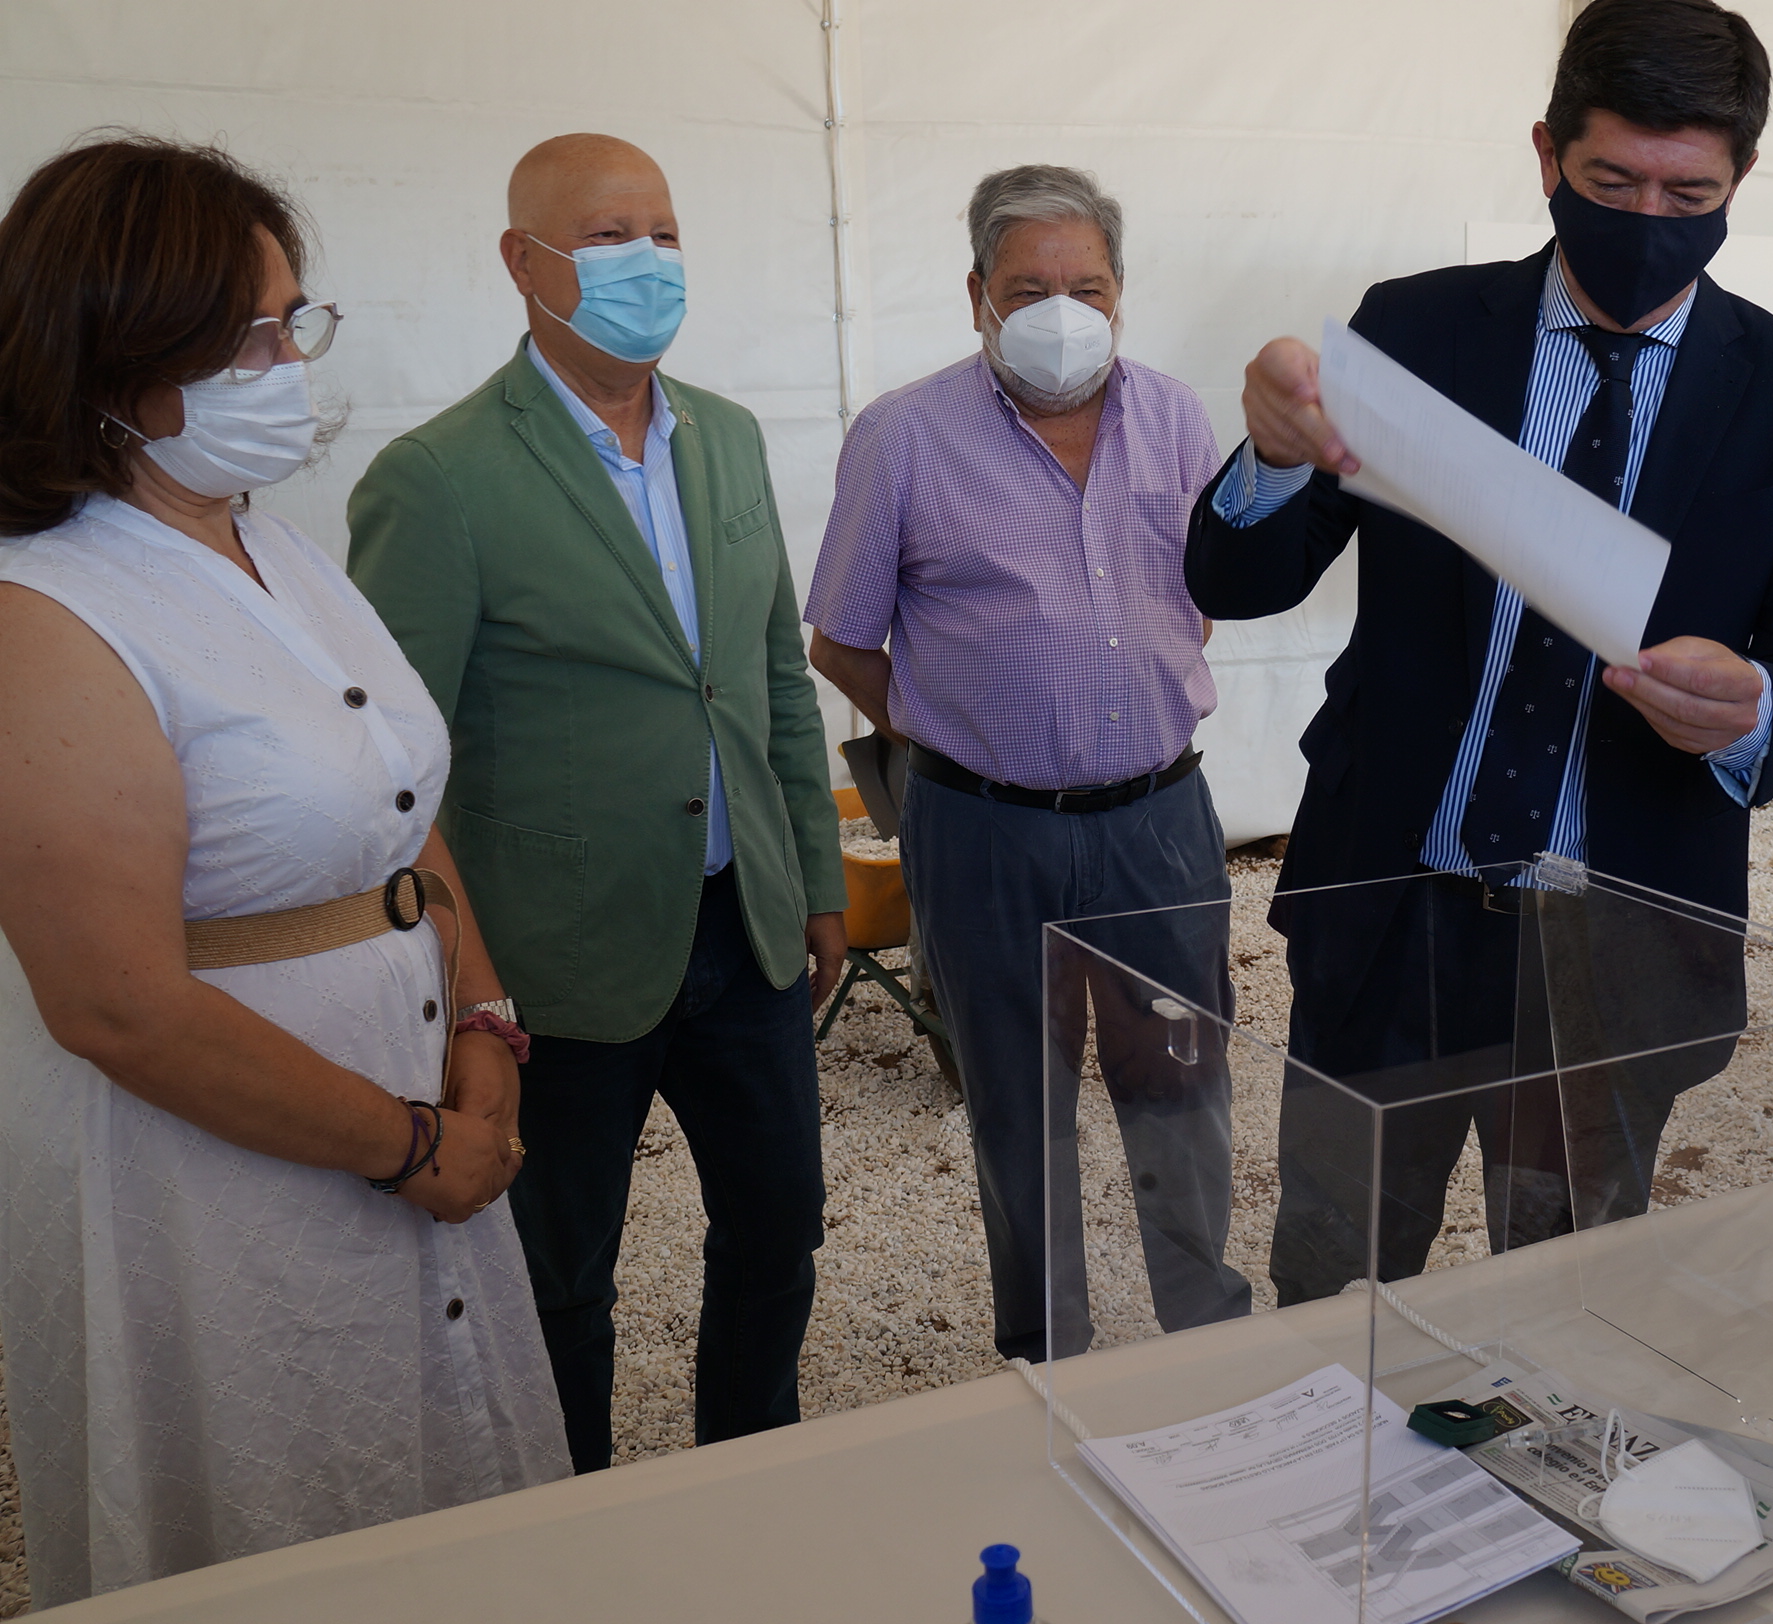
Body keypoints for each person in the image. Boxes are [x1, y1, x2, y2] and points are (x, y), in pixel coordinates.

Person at [1185, 0, 1773, 1304]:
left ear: (1742, 178)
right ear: (1547, 153)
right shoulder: (1419, 331)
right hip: (1396, 903)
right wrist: (1271, 454)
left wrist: (1757, 707)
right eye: (1613, 183)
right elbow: (1240, 580)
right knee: (1335, 1271)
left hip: (1618, 933)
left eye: (1689, 193)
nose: (1649, 218)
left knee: (1566, 1299)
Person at [0, 136, 568, 1607]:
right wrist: (406, 1146)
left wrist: (486, 1027)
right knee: (275, 1501)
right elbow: (114, 1003)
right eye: (248, 336)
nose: (287, 364)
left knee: (439, 1472)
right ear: (115, 357)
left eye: (291, 321)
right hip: (214, 1174)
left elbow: (400, 812)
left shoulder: (278, 549)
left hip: (409, 1098)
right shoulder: (48, 613)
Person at [348, 134, 847, 1471]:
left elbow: (770, 681)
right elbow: (394, 769)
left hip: (743, 928)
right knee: (560, 1276)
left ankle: (754, 1470)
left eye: (665, 233)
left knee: (778, 1228)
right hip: (556, 960)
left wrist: (817, 878)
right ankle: (572, 1518)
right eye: (613, 237)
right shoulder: (440, 478)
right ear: (524, 263)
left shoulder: (727, 438)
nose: (651, 263)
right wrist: (460, 974)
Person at [806, 165, 1249, 1362]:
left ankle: (1203, 1333)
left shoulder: (1177, 416)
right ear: (978, 297)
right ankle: (1047, 1355)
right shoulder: (904, 435)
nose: (1063, 312)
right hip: (985, 828)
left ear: (1120, 292)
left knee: (1183, 1083)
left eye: (1086, 287)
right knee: (1017, 1100)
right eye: (1029, 288)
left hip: (1158, 816)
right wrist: (959, 731)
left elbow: (1197, 599)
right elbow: (841, 639)